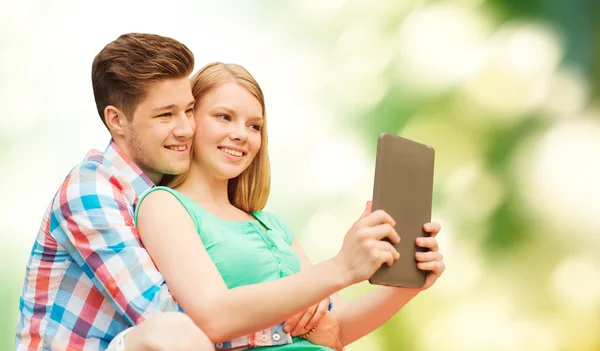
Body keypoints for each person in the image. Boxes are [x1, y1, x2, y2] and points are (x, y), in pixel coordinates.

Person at [135, 62, 446, 351]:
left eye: (254, 126)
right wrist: (340, 267)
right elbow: (214, 317)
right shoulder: (165, 205)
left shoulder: (269, 223)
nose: (241, 135)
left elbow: (336, 331)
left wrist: (409, 285)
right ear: (189, 121)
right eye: (223, 117)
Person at [15, 33, 215, 351]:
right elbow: (164, 314)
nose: (186, 128)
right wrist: (285, 322)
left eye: (189, 110)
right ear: (117, 120)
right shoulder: (89, 191)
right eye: (166, 114)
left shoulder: (175, 188)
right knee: (169, 331)